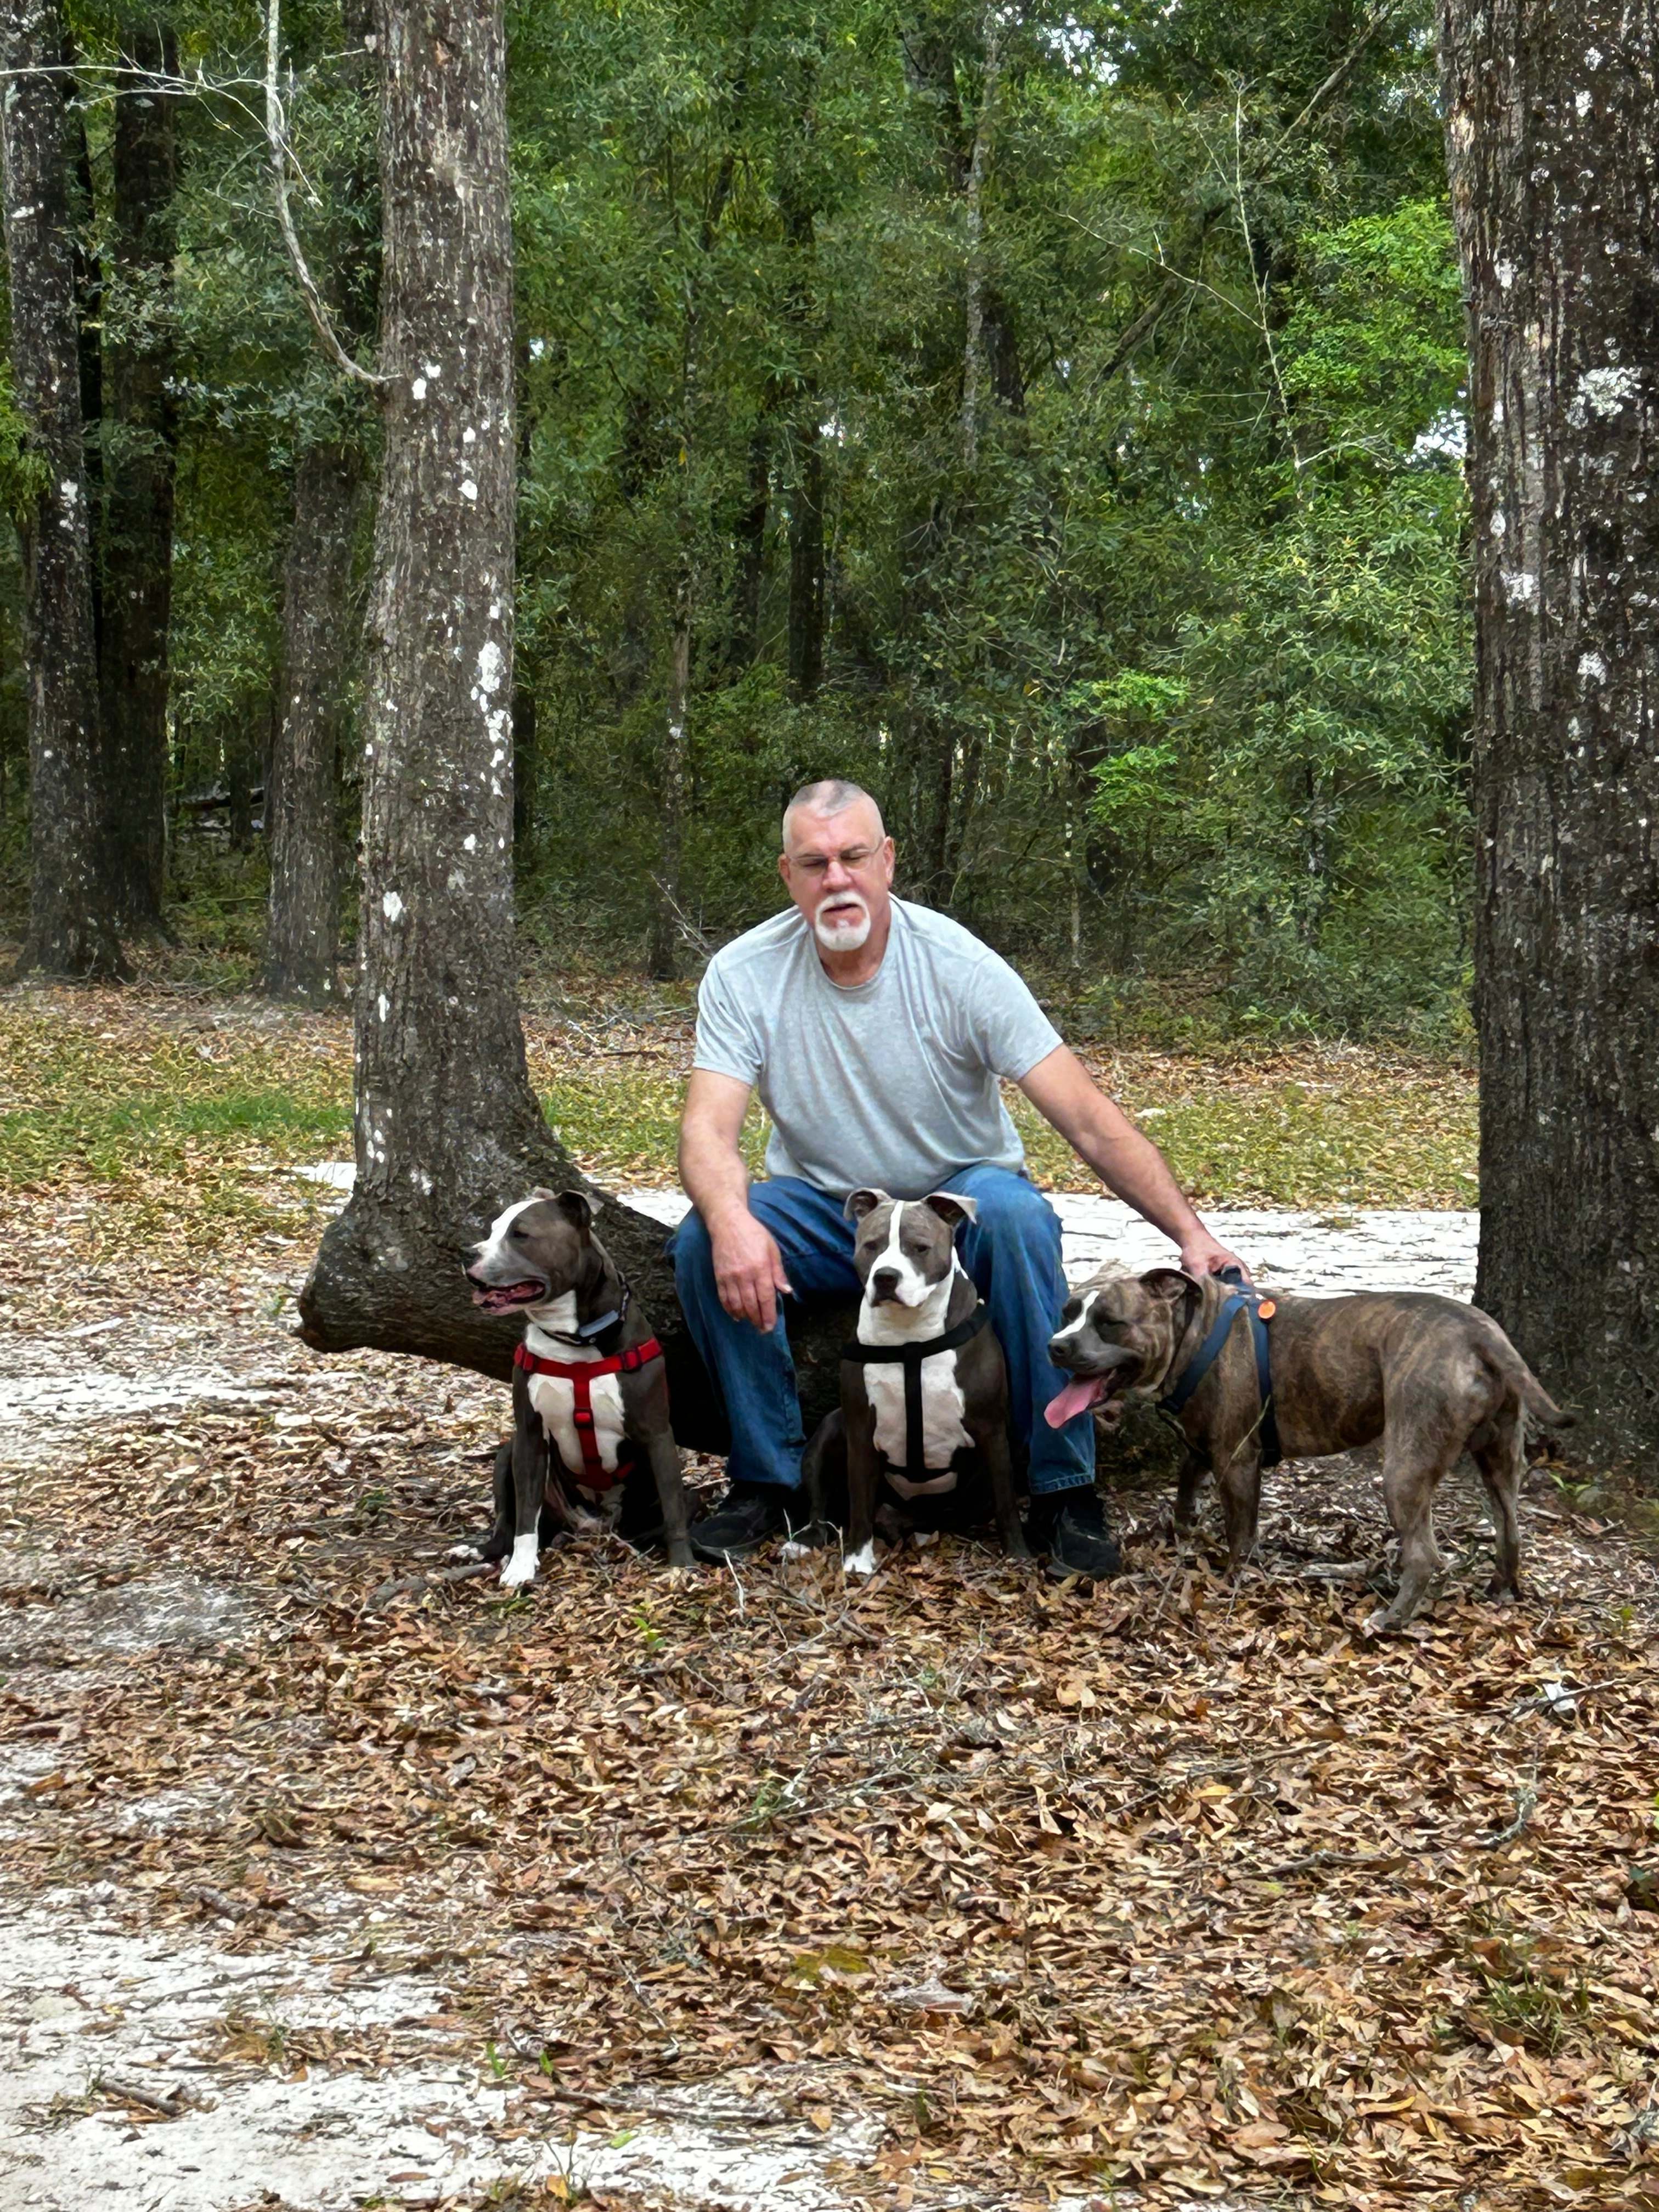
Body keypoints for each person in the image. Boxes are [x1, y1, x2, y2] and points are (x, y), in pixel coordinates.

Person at [671, 778, 1246, 1573]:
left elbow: (1083, 1116)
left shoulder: (959, 966)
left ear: (888, 861)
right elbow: (707, 1128)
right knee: (707, 1236)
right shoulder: (744, 973)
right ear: (787, 875)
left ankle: (1063, 1490)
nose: (837, 879)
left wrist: (1191, 1237)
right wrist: (737, 1224)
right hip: (830, 1207)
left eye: (853, 857)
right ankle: (767, 1482)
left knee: (1016, 1218)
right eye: (814, 863)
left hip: (961, 1194)